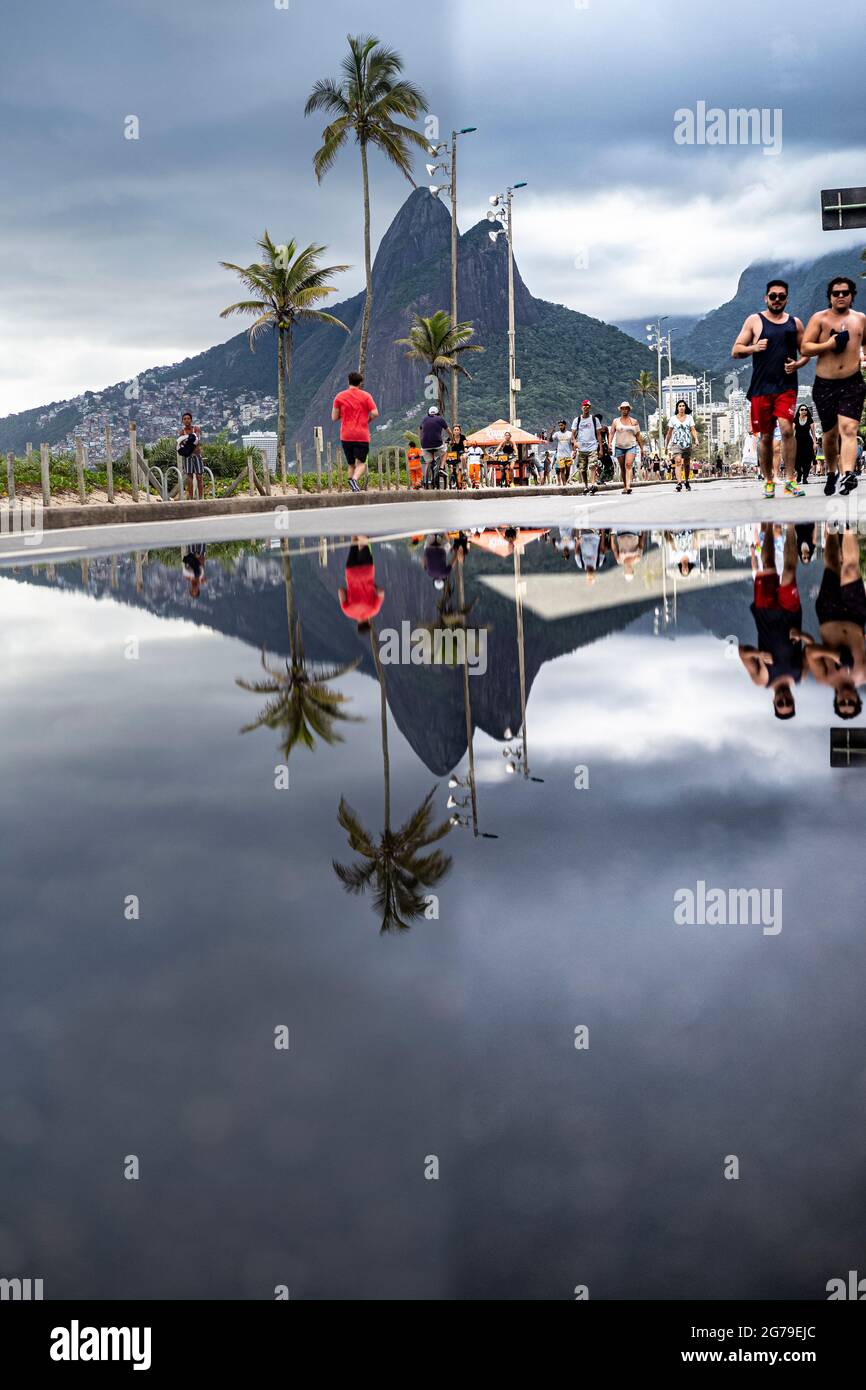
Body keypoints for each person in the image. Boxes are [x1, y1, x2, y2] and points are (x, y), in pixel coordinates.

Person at [731, 279, 808, 498]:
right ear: (766, 298)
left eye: (781, 296)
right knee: (765, 437)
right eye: (772, 296)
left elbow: (806, 352)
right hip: (761, 388)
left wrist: (797, 364)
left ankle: (791, 480)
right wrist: (754, 347)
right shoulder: (755, 321)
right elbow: (735, 350)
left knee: (786, 430)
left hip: (786, 387)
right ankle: (768, 480)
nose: (777, 300)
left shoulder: (795, 323)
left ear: (787, 298)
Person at [801, 276, 866, 497]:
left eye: (845, 292)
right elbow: (805, 348)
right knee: (829, 435)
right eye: (836, 293)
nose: (840, 296)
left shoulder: (860, 320)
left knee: (848, 429)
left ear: (851, 295)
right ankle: (831, 472)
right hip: (825, 384)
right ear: (830, 296)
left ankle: (848, 473)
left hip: (853, 382)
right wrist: (829, 344)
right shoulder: (819, 319)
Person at [738, 522, 807, 718]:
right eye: (789, 703)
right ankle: (791, 527)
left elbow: (741, 652)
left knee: (767, 563)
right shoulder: (799, 676)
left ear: (774, 702)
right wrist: (801, 635)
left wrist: (759, 655)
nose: (784, 699)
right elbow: (809, 649)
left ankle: (767, 525)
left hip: (765, 613)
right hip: (791, 615)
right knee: (789, 572)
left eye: (781, 703)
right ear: (793, 701)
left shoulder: (761, 680)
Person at [804, 525, 866, 717]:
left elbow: (810, 651)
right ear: (857, 699)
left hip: (828, 615)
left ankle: (831, 527)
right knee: (850, 569)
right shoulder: (864, 675)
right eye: (850, 702)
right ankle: (848, 527)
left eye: (842, 703)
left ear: (836, 700)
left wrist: (835, 655)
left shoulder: (825, 678)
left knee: (831, 563)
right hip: (856, 617)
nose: (846, 699)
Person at [332, 371, 379, 492]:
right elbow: (375, 413)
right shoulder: (366, 396)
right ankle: (354, 480)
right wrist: (366, 421)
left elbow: (334, 417)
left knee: (351, 463)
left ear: (348, 382)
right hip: (361, 435)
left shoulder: (339, 396)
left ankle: (352, 485)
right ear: (360, 383)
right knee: (362, 463)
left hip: (346, 435)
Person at [338, 535, 385, 633]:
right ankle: (353, 527)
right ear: (358, 625)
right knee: (354, 543)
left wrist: (372, 585)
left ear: (369, 623)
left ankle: (361, 526)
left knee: (363, 542)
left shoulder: (373, 610)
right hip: (351, 573)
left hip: (366, 573)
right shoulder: (348, 612)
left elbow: (381, 592)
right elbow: (341, 591)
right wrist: (349, 589)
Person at [611, 401, 645, 494]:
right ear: (620, 410)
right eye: (623, 408)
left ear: (629, 410)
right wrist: (610, 443)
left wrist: (642, 449)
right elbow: (612, 433)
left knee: (628, 465)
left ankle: (629, 486)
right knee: (622, 467)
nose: (625, 410)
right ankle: (625, 485)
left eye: (626, 408)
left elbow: (638, 436)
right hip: (619, 446)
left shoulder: (634, 421)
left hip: (631, 446)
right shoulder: (616, 421)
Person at [665, 399, 699, 492]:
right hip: (676, 443)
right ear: (677, 408)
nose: (681, 407)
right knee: (678, 461)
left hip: (687, 443)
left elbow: (692, 429)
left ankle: (687, 481)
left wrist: (696, 439)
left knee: (687, 464)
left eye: (683, 406)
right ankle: (679, 483)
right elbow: (669, 433)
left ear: (685, 407)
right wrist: (666, 445)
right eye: (679, 406)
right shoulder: (673, 419)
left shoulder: (689, 418)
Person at [571, 400, 603, 494]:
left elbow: (599, 435)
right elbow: (573, 435)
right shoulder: (577, 420)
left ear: (590, 408)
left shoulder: (594, 419)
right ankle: (585, 485)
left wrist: (600, 448)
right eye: (584, 406)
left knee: (593, 465)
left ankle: (592, 484)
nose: (586, 408)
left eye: (588, 406)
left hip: (592, 446)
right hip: (581, 448)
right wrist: (575, 445)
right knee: (582, 469)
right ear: (581, 407)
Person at [420, 405, 450, 487]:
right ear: (437, 413)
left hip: (424, 445)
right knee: (444, 452)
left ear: (428, 413)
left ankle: (425, 479)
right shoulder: (440, 419)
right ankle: (441, 468)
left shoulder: (424, 419)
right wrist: (452, 439)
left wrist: (421, 441)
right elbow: (449, 431)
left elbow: (420, 431)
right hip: (437, 444)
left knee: (428, 462)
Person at [177, 412, 203, 500]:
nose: (186, 420)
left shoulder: (196, 428)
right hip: (187, 456)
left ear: (191, 420)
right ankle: (191, 498)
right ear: (182, 421)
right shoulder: (181, 431)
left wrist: (187, 440)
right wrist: (191, 439)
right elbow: (182, 443)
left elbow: (197, 440)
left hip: (197, 455)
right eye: (184, 419)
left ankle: (201, 497)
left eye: (188, 418)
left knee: (199, 476)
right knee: (189, 477)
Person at [793, 404, 817, 486]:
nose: (804, 411)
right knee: (796, 461)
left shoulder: (810, 420)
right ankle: (799, 473)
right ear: (799, 411)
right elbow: (792, 433)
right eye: (802, 409)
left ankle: (805, 478)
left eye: (805, 410)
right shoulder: (795, 419)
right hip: (797, 442)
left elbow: (813, 434)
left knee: (807, 460)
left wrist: (814, 443)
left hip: (807, 442)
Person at [550, 420, 574, 485]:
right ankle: (564, 485)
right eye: (559, 425)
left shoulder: (570, 433)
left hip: (568, 455)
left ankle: (565, 482)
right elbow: (551, 440)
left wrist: (574, 451)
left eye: (561, 425)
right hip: (560, 455)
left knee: (568, 471)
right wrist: (551, 433)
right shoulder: (557, 434)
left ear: (565, 425)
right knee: (562, 470)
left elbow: (573, 443)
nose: (560, 427)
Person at [448, 426, 467, 490]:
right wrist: (449, 444)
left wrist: (466, 448)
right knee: (452, 466)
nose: (456, 431)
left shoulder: (462, 437)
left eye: (457, 430)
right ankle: (453, 478)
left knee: (463, 457)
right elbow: (446, 443)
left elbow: (465, 443)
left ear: (460, 431)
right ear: (453, 431)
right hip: (454, 455)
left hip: (461, 453)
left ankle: (464, 471)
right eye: (455, 430)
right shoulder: (451, 437)